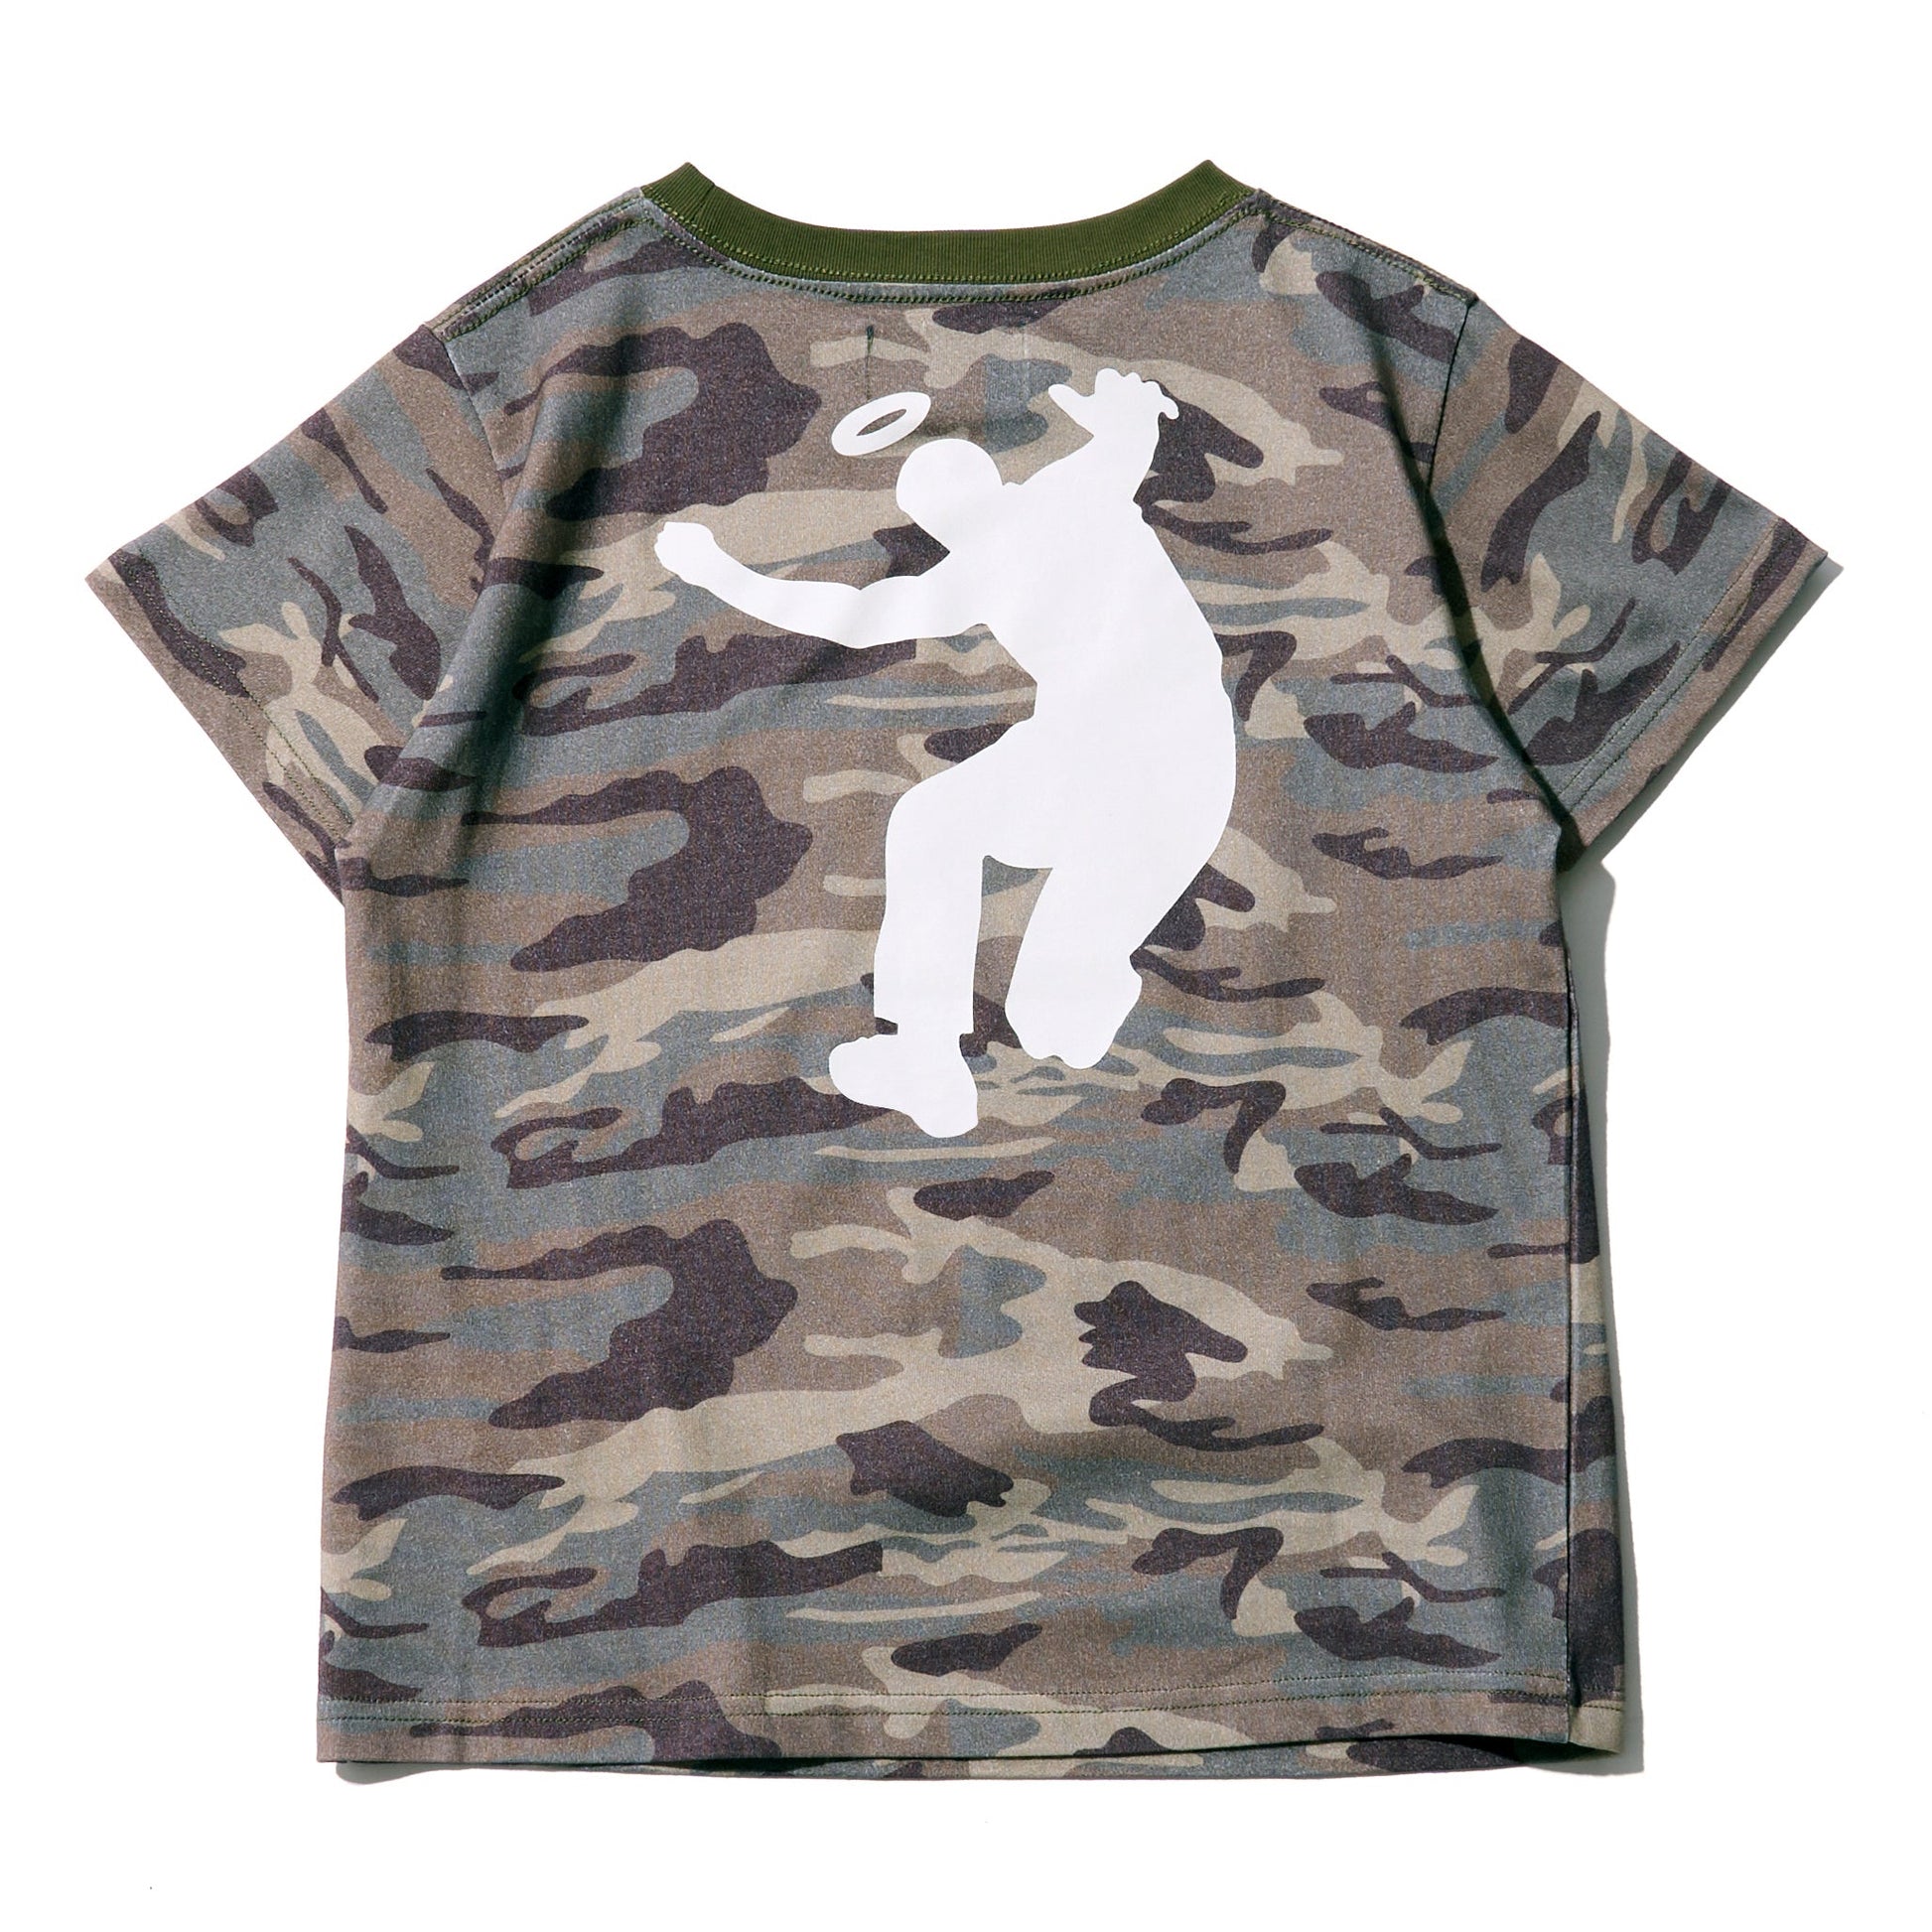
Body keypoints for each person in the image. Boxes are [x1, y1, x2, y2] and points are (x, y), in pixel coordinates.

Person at [655, 368, 1237, 1137]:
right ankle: (945, 1055)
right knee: (1040, 1007)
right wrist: (1126, 410)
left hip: (1138, 760)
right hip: (1179, 773)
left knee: (938, 830)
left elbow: (853, 612)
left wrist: (722, 573)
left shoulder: (1032, 523)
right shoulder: (1049, 509)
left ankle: (953, 1043)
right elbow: (1128, 438)